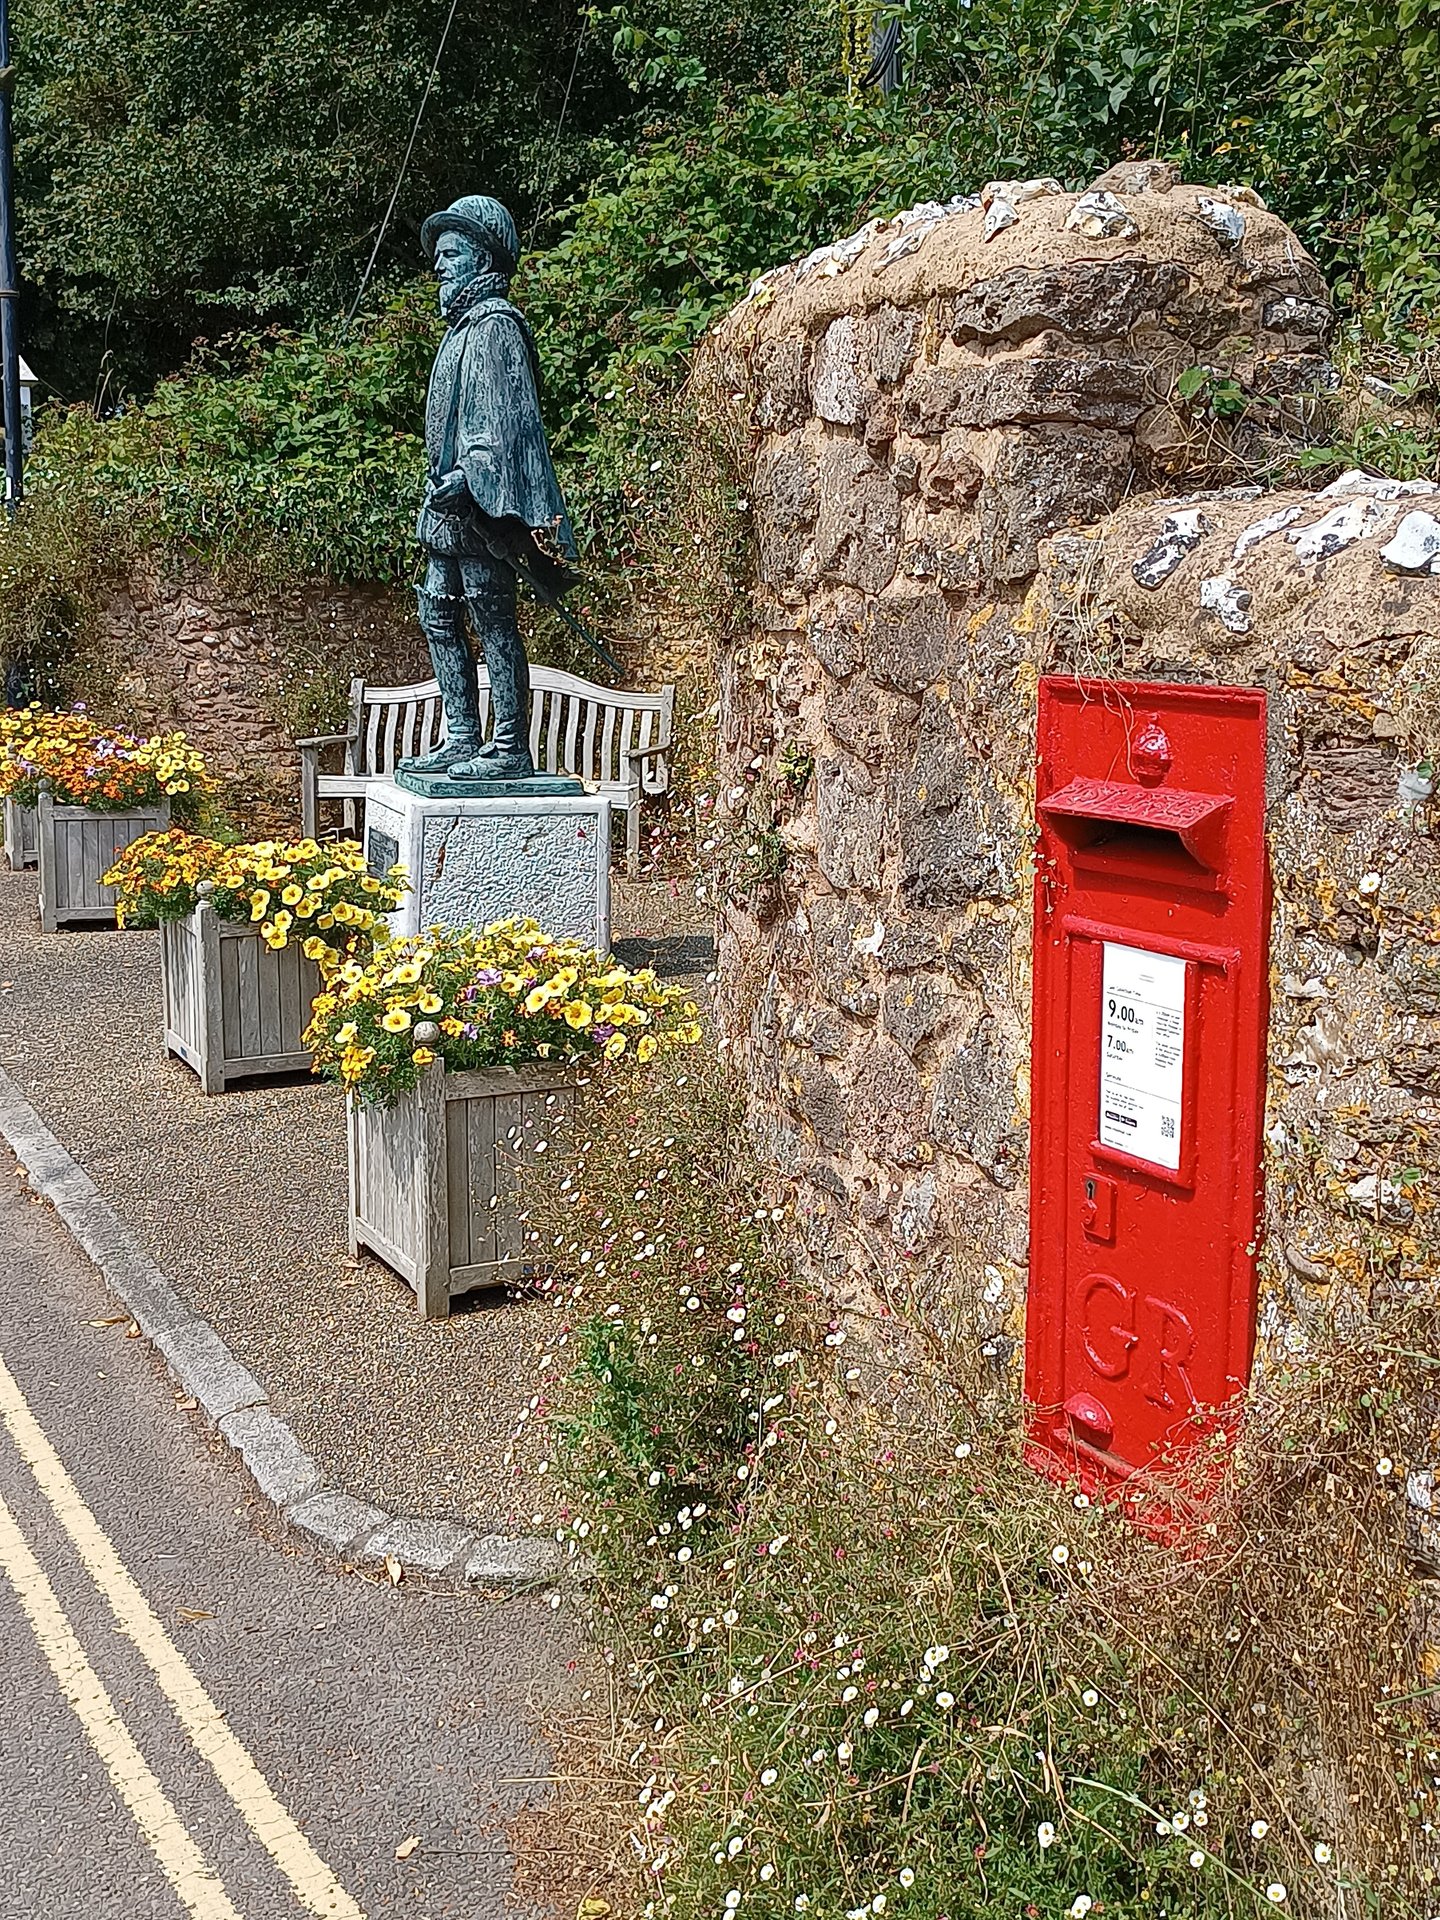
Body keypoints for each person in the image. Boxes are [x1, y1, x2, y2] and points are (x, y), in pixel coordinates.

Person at [399, 194, 578, 782]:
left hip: (480, 505)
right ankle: (461, 734)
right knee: (439, 613)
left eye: (451, 253)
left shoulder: (495, 327)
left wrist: (470, 474)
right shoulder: (460, 330)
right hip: (448, 506)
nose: (439, 265)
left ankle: (508, 745)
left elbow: (506, 423)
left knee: (490, 613)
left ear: (482, 258)